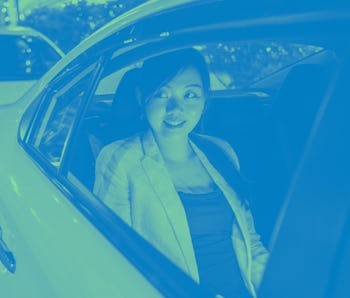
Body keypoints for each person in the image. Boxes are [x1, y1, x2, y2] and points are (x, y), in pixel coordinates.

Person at [93, 48, 269, 298]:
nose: (176, 108)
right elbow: (114, 258)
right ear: (142, 97)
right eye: (162, 94)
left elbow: (251, 244)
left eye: (190, 95)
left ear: (205, 100)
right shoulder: (120, 159)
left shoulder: (222, 151)